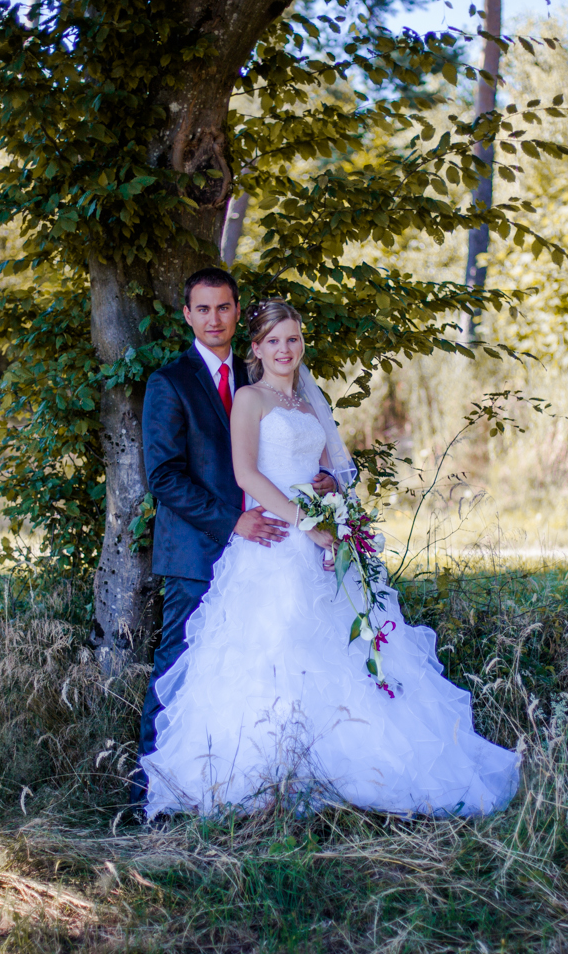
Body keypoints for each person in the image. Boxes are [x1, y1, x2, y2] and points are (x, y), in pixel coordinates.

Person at [139, 298, 521, 818]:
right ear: (257, 348)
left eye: (293, 339)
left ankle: (346, 769)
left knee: (345, 652)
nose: (285, 349)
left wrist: (334, 501)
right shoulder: (249, 399)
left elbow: (330, 471)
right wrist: (307, 524)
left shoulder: (307, 403)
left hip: (323, 537)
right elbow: (247, 475)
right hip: (277, 536)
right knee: (276, 651)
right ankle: (264, 778)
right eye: (274, 341)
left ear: (302, 344)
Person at [135, 269, 336, 805]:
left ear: (236, 311)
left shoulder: (264, 376)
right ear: (187, 315)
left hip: (271, 546)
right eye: (202, 309)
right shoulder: (170, 382)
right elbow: (164, 476)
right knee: (181, 666)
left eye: (223, 307)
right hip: (199, 548)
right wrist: (232, 521)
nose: (214, 318)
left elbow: (289, 456)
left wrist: (324, 479)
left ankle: (261, 779)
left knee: (267, 667)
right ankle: (151, 790)